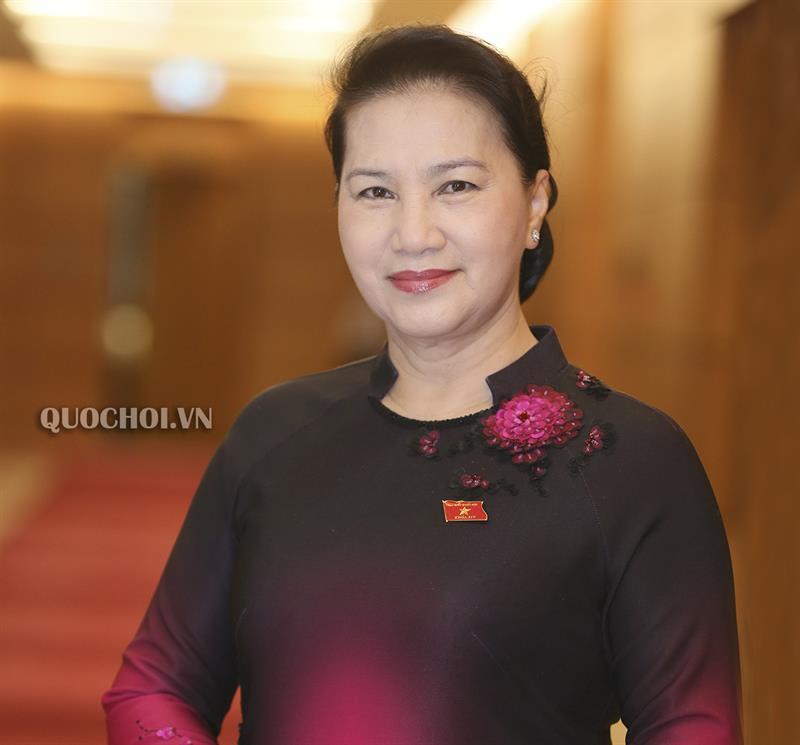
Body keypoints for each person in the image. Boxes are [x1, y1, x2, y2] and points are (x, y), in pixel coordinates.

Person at [101, 24, 744, 745]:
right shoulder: (274, 434)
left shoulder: (632, 461)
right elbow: (152, 685)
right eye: (375, 191)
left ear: (535, 203)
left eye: (455, 186)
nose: (413, 233)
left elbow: (694, 728)